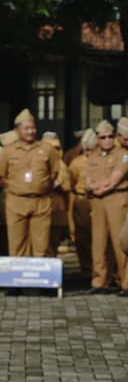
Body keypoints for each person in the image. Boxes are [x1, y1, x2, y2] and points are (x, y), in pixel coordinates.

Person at [0, 108, 63, 257]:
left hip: (41, 202)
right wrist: (17, 188)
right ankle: (18, 272)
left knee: (41, 246)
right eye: (26, 128)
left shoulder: (47, 149)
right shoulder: (8, 151)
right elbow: (1, 176)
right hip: (16, 202)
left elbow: (54, 173)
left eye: (33, 128)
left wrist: (42, 187)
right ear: (17, 130)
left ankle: (38, 272)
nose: (30, 132)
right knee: (17, 245)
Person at [85, 120, 128, 295]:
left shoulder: (123, 154)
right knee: (98, 242)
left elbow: (114, 179)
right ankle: (100, 281)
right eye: (103, 137)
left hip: (116, 198)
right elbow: (87, 179)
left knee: (120, 242)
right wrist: (93, 188)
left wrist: (98, 188)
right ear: (97, 139)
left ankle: (125, 282)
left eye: (110, 136)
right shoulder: (93, 156)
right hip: (97, 201)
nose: (107, 140)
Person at [66, 129, 95, 279]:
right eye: (86, 150)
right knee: (82, 238)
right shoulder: (76, 163)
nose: (89, 153)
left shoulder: (101, 161)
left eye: (92, 149)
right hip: (81, 201)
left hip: (98, 201)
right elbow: (70, 184)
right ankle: (87, 268)